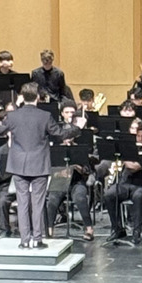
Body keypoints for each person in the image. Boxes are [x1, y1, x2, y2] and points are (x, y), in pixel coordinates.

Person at [0, 81, 61, 248]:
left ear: (22, 97)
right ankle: (38, 239)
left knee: (22, 201)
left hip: (18, 164)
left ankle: (24, 241)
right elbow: (60, 133)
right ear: (38, 97)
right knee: (37, 203)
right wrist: (77, 127)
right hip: (39, 164)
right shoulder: (45, 116)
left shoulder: (12, 116)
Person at [45, 100, 94, 241]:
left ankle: (89, 228)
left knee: (80, 197)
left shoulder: (79, 148)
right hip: (59, 180)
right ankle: (49, 230)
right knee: (52, 200)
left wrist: (77, 168)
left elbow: (87, 170)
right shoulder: (55, 150)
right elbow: (49, 168)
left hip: (77, 181)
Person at [102, 121, 142, 246]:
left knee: (138, 196)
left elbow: (135, 167)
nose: (140, 138)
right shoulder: (131, 148)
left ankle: (137, 231)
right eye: (138, 136)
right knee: (109, 194)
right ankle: (118, 228)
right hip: (126, 184)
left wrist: (123, 157)